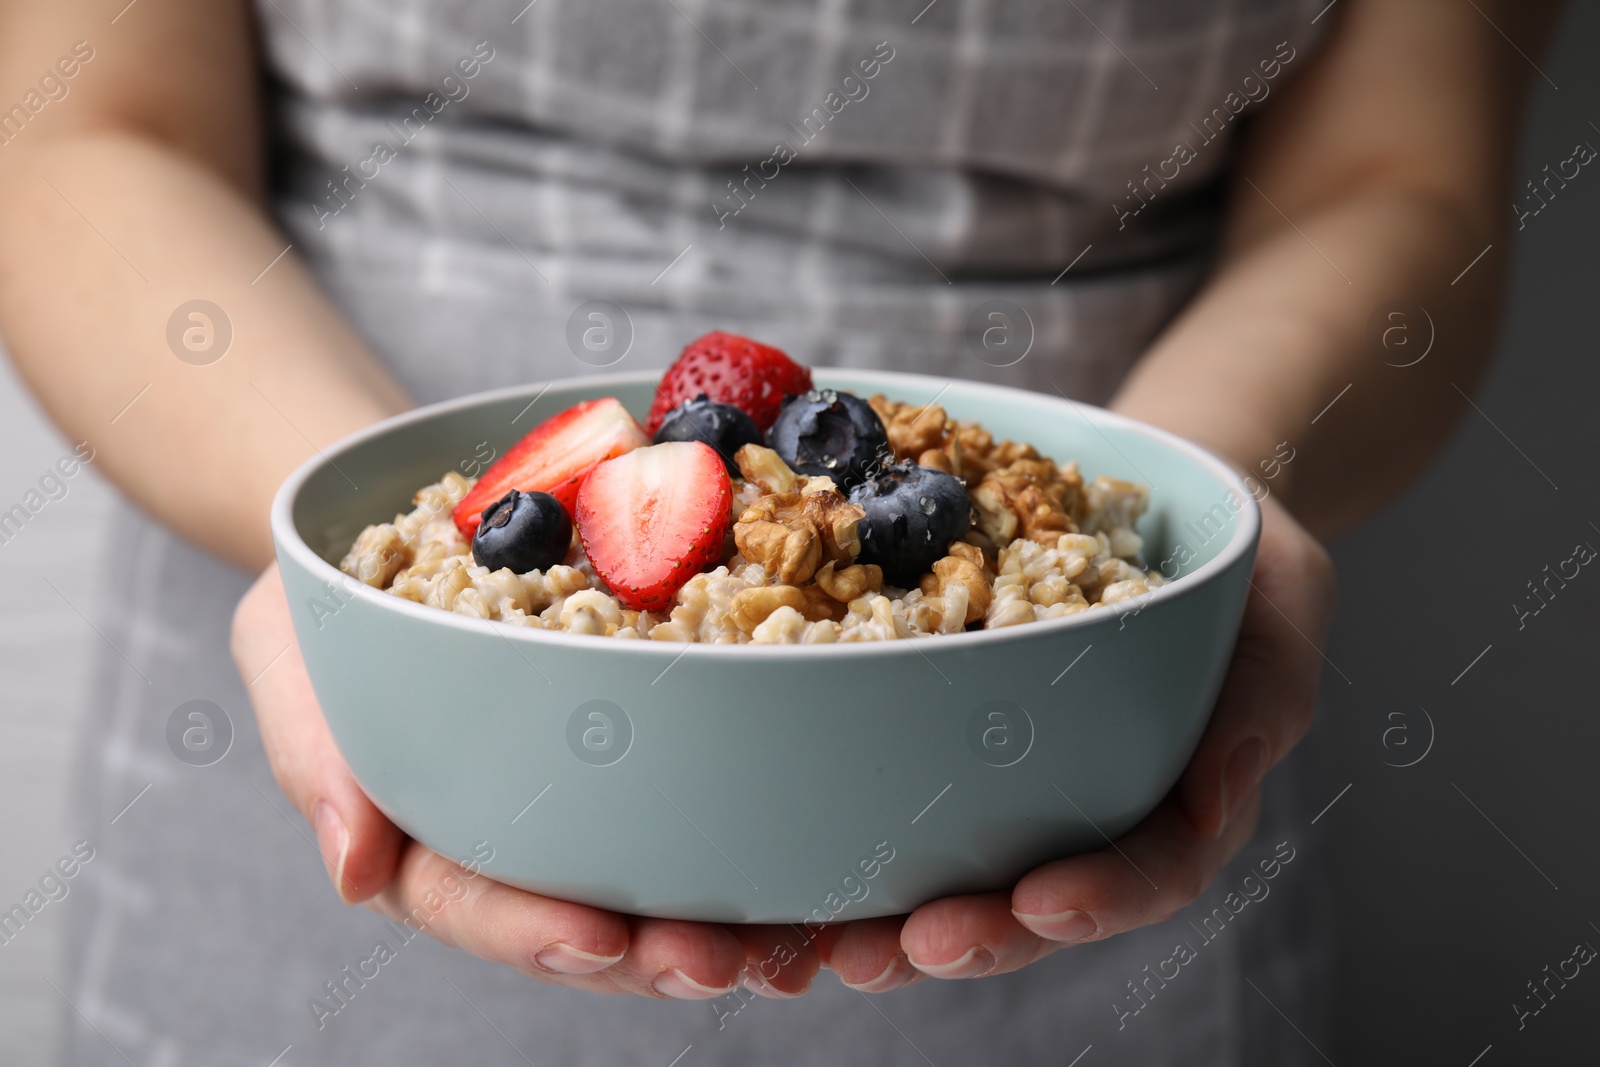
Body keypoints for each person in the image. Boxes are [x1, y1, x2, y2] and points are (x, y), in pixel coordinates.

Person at [0, 0, 1559, 1062]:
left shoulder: (1086, 556)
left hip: (1073, 752)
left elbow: (1398, 175)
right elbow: (81, 131)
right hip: (335, 717)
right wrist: (345, 573)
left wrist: (1193, 506)